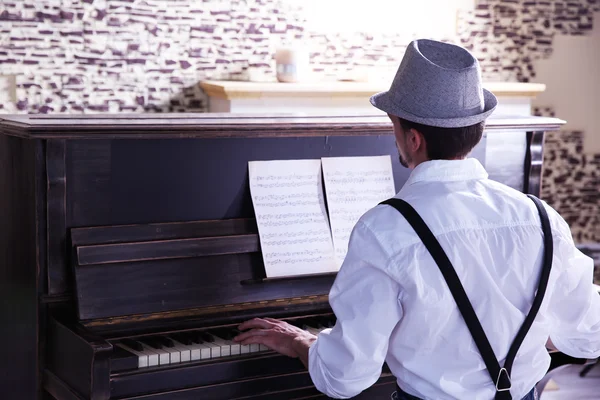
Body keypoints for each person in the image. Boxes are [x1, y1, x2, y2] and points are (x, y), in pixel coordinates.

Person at [233, 39, 600, 399]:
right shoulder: (540, 216)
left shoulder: (385, 229)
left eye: (393, 125)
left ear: (412, 139)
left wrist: (302, 342)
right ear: (477, 130)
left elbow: (346, 377)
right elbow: (590, 335)